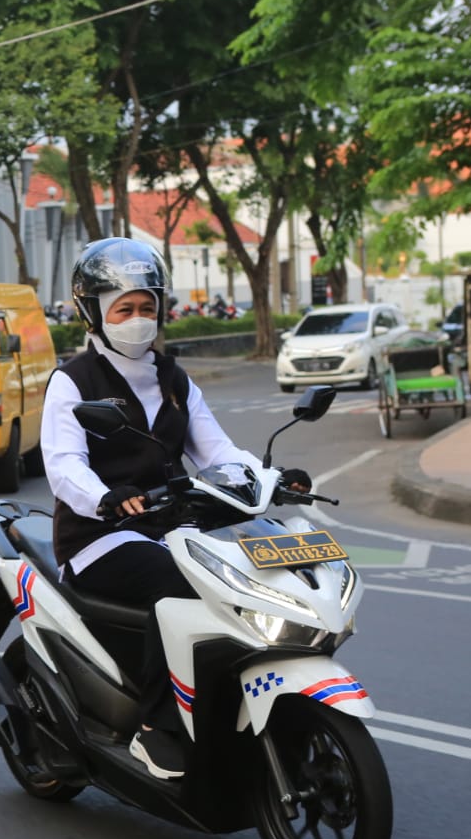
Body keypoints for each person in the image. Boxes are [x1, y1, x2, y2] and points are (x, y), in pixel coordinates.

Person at [41, 238, 312, 780]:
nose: (138, 320)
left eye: (147, 308)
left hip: (174, 525)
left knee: (270, 565)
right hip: (101, 538)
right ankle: (157, 727)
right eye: (124, 310)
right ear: (94, 313)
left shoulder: (172, 378)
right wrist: (105, 497)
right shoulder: (73, 381)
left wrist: (270, 478)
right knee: (180, 584)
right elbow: (63, 465)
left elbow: (217, 450)